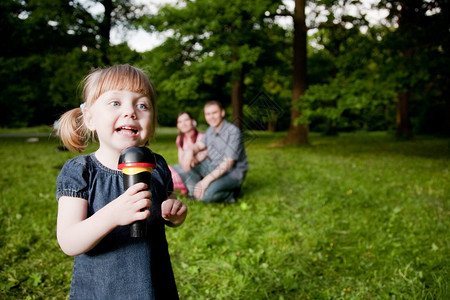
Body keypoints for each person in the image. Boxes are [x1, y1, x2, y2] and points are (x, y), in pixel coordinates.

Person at [55, 64, 187, 300]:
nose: (131, 111)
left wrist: (174, 213)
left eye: (142, 105)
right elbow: (69, 241)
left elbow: (169, 200)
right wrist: (112, 215)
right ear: (90, 118)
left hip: (153, 286)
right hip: (101, 291)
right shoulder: (81, 171)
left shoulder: (157, 166)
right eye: (115, 103)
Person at [181, 101, 248, 203]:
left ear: (222, 113)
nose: (211, 117)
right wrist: (190, 151)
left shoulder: (233, 132)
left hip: (233, 173)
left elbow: (228, 163)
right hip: (214, 167)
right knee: (190, 162)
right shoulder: (211, 130)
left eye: (214, 113)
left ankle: (231, 195)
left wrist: (205, 181)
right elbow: (199, 145)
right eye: (208, 114)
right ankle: (194, 193)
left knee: (206, 196)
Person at [169, 112, 207, 195]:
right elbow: (181, 160)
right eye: (180, 122)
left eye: (186, 120)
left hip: (199, 171)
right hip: (185, 168)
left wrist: (194, 159)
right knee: (165, 170)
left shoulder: (202, 137)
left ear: (193, 122)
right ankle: (185, 184)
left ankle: (189, 186)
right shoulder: (180, 139)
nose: (183, 124)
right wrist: (186, 164)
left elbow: (207, 153)